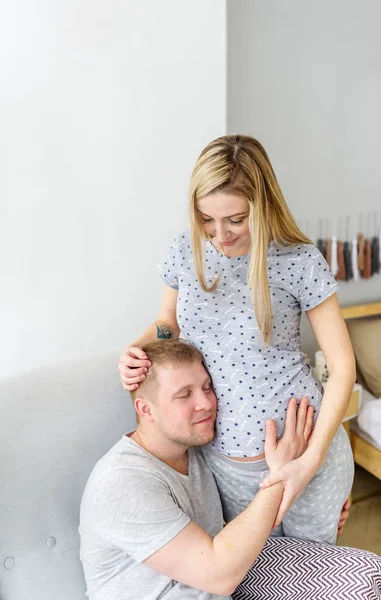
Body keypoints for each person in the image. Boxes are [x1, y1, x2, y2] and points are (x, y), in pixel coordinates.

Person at [118, 135, 355, 544]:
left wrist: (310, 461)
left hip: (307, 454)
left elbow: (343, 366)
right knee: (250, 577)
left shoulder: (298, 260)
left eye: (235, 219)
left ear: (262, 205)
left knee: (310, 581)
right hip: (224, 467)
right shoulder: (184, 251)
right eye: (207, 219)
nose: (220, 234)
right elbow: (167, 323)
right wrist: (137, 351)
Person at [80, 341, 376, 600]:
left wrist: (316, 497)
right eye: (184, 395)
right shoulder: (121, 483)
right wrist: (280, 475)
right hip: (205, 583)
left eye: (207, 387)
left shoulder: (198, 448)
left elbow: (239, 519)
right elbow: (219, 575)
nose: (205, 403)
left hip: (224, 582)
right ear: (146, 410)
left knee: (364, 576)